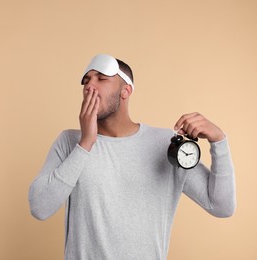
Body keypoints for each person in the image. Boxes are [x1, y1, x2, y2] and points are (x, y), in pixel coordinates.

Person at [28, 54, 236, 259]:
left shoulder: (165, 144)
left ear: (126, 90)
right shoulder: (69, 142)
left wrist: (219, 141)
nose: (90, 86)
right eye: (86, 80)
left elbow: (221, 206)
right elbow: (40, 207)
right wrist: (86, 143)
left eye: (101, 78)